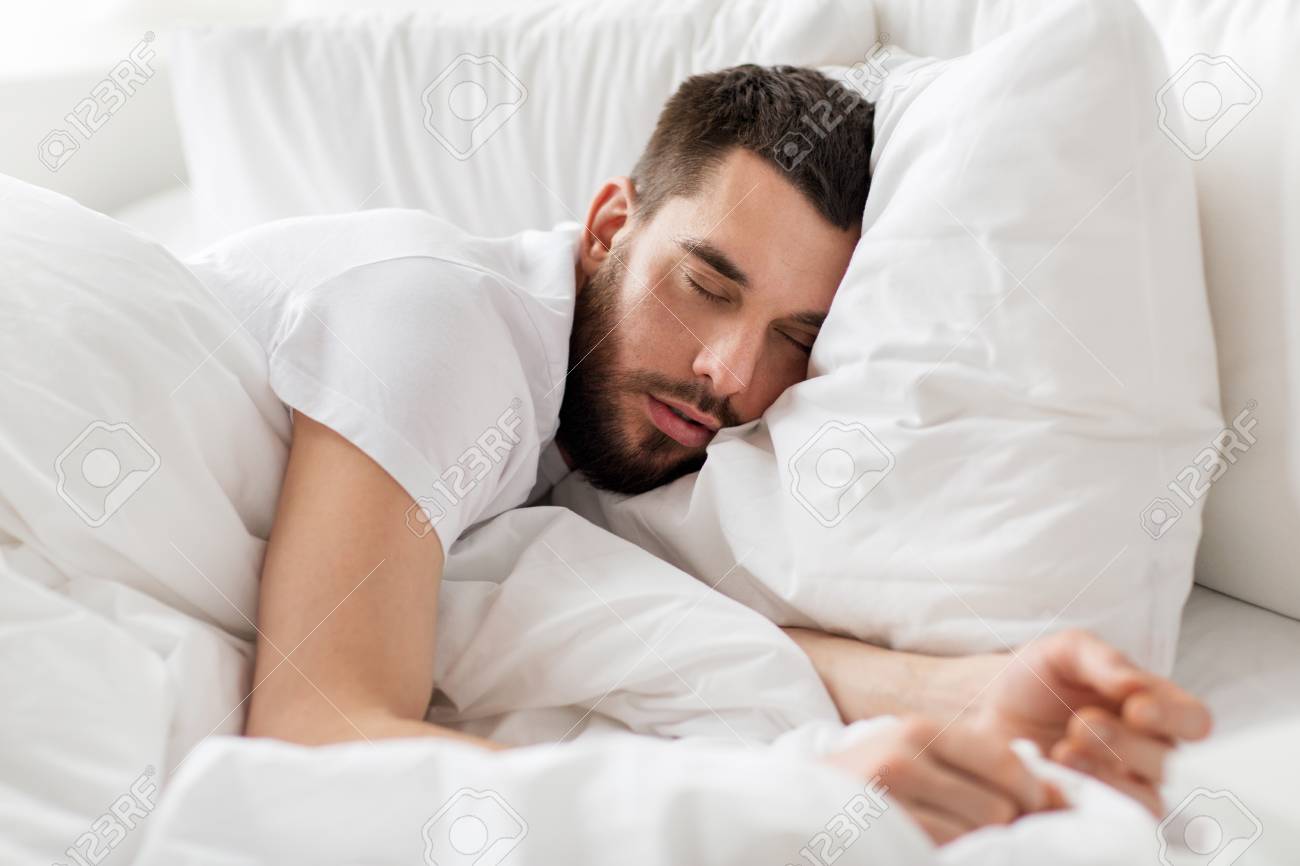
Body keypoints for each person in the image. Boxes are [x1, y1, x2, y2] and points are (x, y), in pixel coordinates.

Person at [189, 65, 1209, 845]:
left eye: (794, 339)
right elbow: (316, 741)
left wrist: (972, 695)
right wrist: (777, 801)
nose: (728, 373)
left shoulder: (578, 439)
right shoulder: (443, 321)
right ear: (608, 228)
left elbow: (660, 620)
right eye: (706, 287)